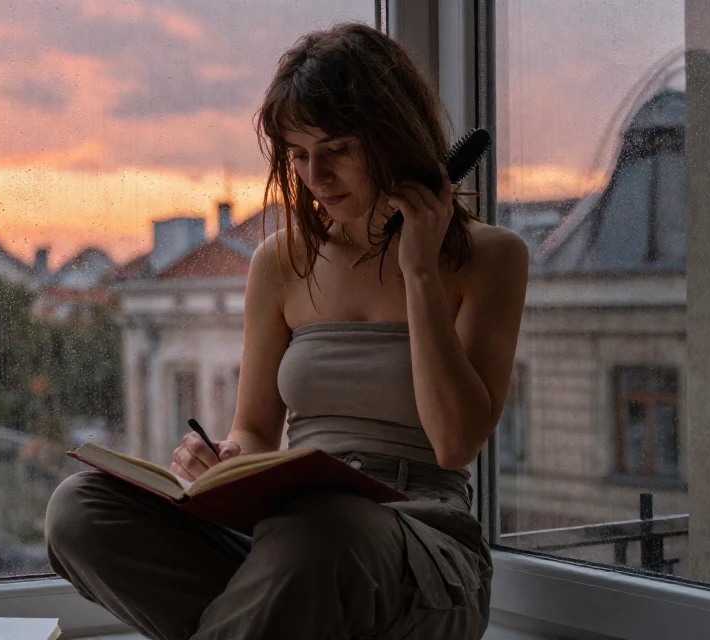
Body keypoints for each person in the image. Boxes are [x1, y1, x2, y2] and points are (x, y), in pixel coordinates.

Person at [45, 21, 528, 640]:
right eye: (298, 155)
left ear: (393, 137)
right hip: (291, 544)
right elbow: (254, 429)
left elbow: (455, 444)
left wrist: (420, 274)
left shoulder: (493, 257)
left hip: (421, 552)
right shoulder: (281, 261)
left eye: (337, 150)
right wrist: (220, 461)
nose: (315, 177)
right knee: (79, 511)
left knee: (323, 528)